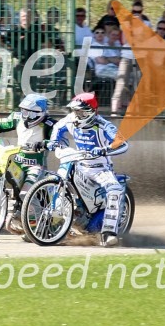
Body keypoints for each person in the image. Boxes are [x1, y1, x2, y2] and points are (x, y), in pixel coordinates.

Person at [46, 92, 129, 247]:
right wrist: (54, 142)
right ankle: (49, 225)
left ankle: (109, 232)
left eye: (80, 112)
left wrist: (104, 149)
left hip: (100, 168)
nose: (76, 115)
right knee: (56, 180)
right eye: (75, 111)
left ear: (91, 111)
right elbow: (58, 127)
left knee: (115, 189)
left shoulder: (104, 125)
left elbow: (122, 144)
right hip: (78, 163)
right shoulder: (71, 119)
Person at [0, 94, 56, 233]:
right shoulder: (17, 118)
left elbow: (57, 141)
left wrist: (45, 144)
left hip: (36, 167)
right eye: (23, 110)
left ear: (36, 112)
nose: (23, 114)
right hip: (17, 162)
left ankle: (37, 228)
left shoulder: (49, 124)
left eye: (26, 111)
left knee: (26, 194)